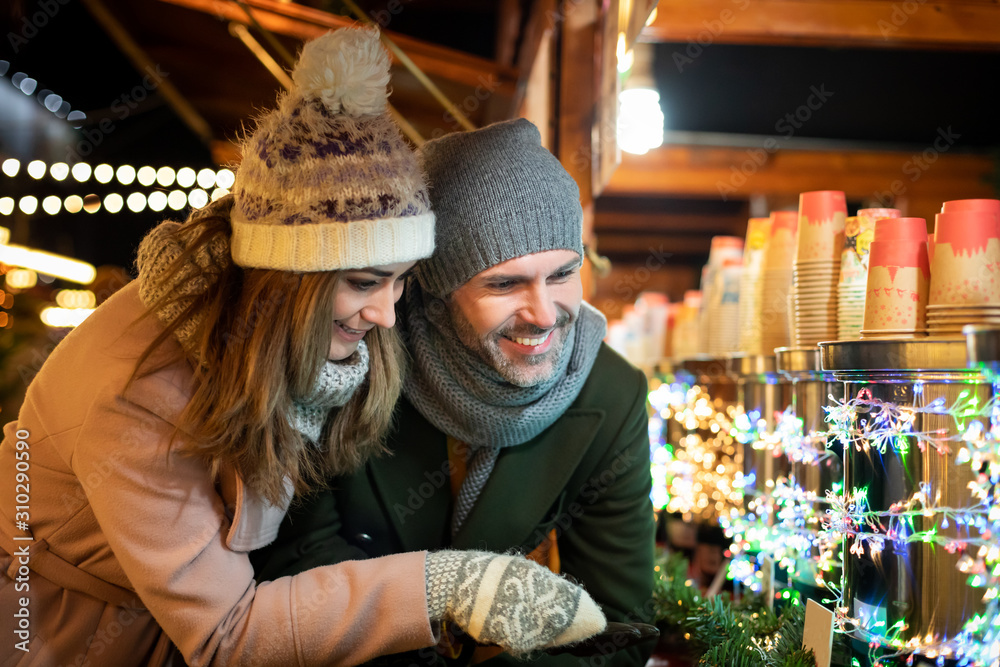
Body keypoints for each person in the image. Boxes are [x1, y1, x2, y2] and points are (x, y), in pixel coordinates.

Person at [0, 30, 605, 666]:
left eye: (401, 281)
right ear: (287, 281)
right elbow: (224, 634)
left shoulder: (292, 342)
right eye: (365, 283)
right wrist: (448, 586)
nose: (386, 313)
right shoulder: (139, 392)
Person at [253, 118, 657, 667]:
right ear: (437, 290)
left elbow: (619, 628)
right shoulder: (354, 356)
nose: (544, 314)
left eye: (562, 274)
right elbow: (297, 559)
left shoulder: (613, 393)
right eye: (504, 283)